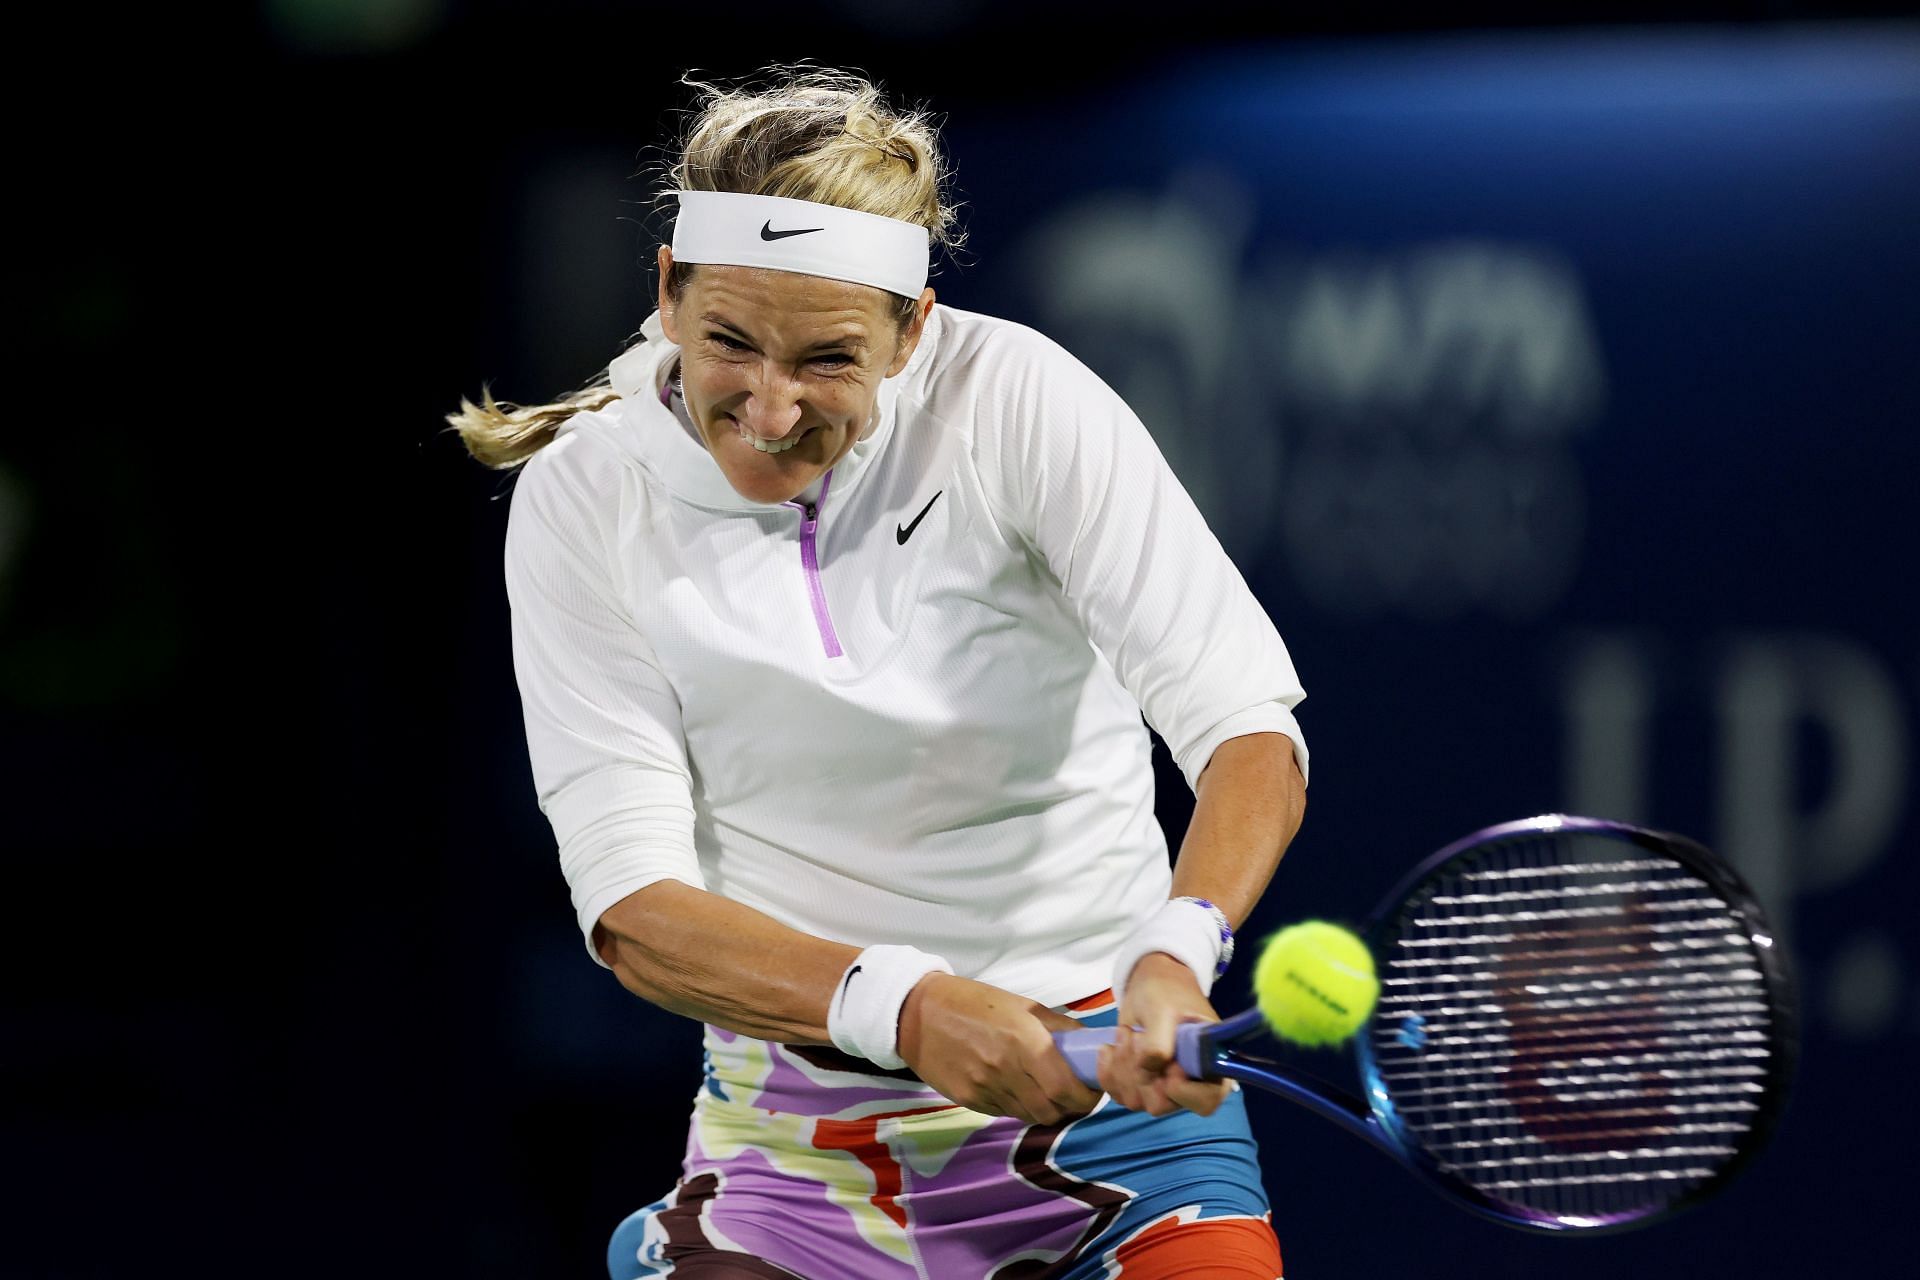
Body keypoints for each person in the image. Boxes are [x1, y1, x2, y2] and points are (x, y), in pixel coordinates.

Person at [453, 68, 1308, 1280]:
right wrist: (906, 1005)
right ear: (666, 293)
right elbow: (634, 910)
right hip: (794, 1153)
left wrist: (1175, 947)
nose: (769, 403)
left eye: (830, 357)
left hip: (1118, 1130)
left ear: (913, 330)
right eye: (729, 343)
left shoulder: (1020, 400)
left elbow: (1243, 725)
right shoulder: (584, 493)